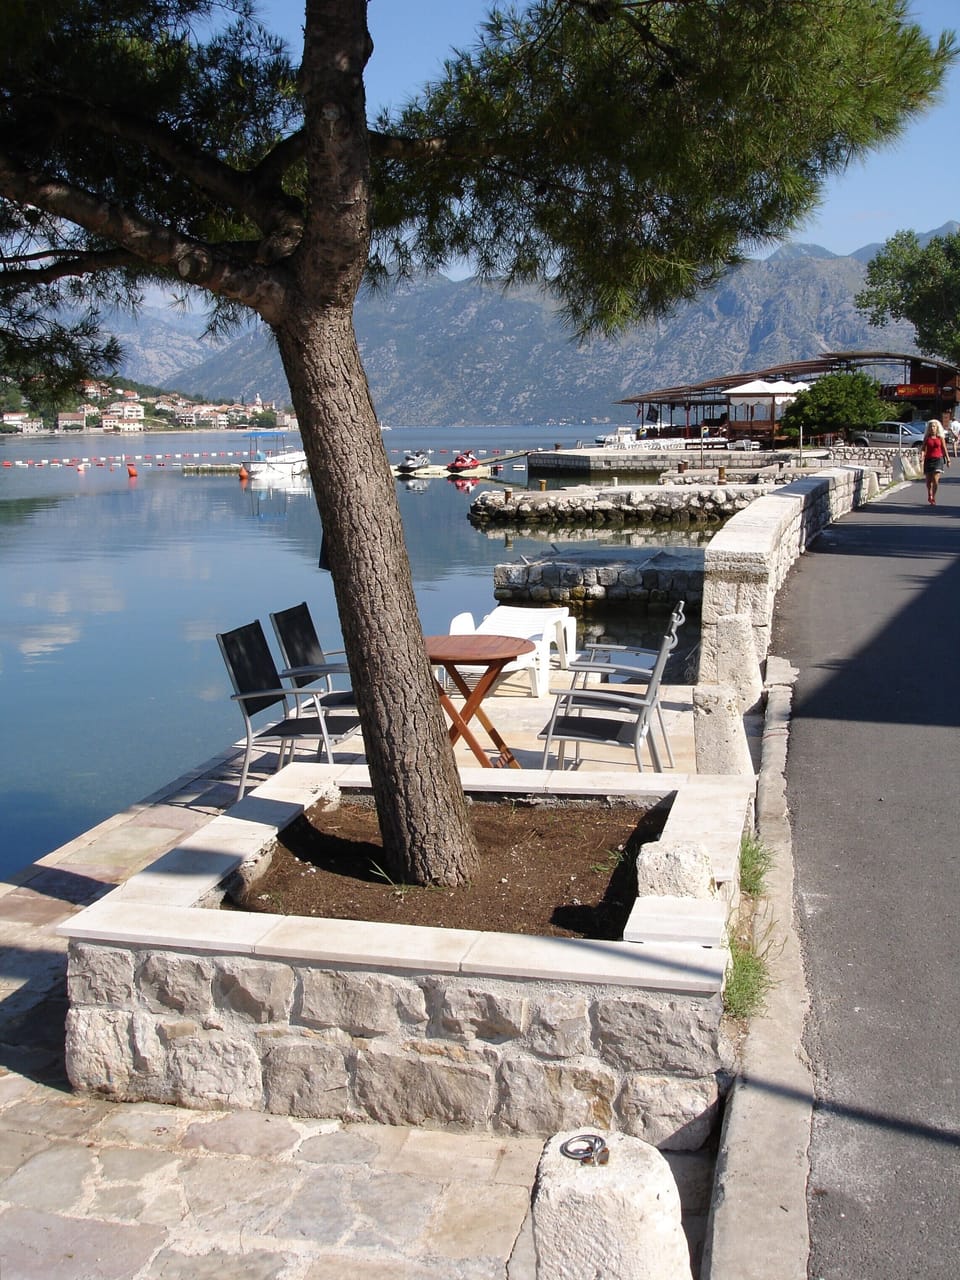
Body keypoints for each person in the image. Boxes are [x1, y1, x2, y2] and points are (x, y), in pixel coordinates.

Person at [920, 419, 950, 504]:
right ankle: (929, 494)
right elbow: (923, 449)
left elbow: (944, 448)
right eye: (931, 426)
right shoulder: (927, 438)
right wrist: (922, 456)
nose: (932, 428)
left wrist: (948, 459)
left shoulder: (940, 438)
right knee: (928, 481)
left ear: (937, 428)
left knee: (935, 480)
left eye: (934, 426)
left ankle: (933, 496)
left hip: (938, 459)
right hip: (928, 460)